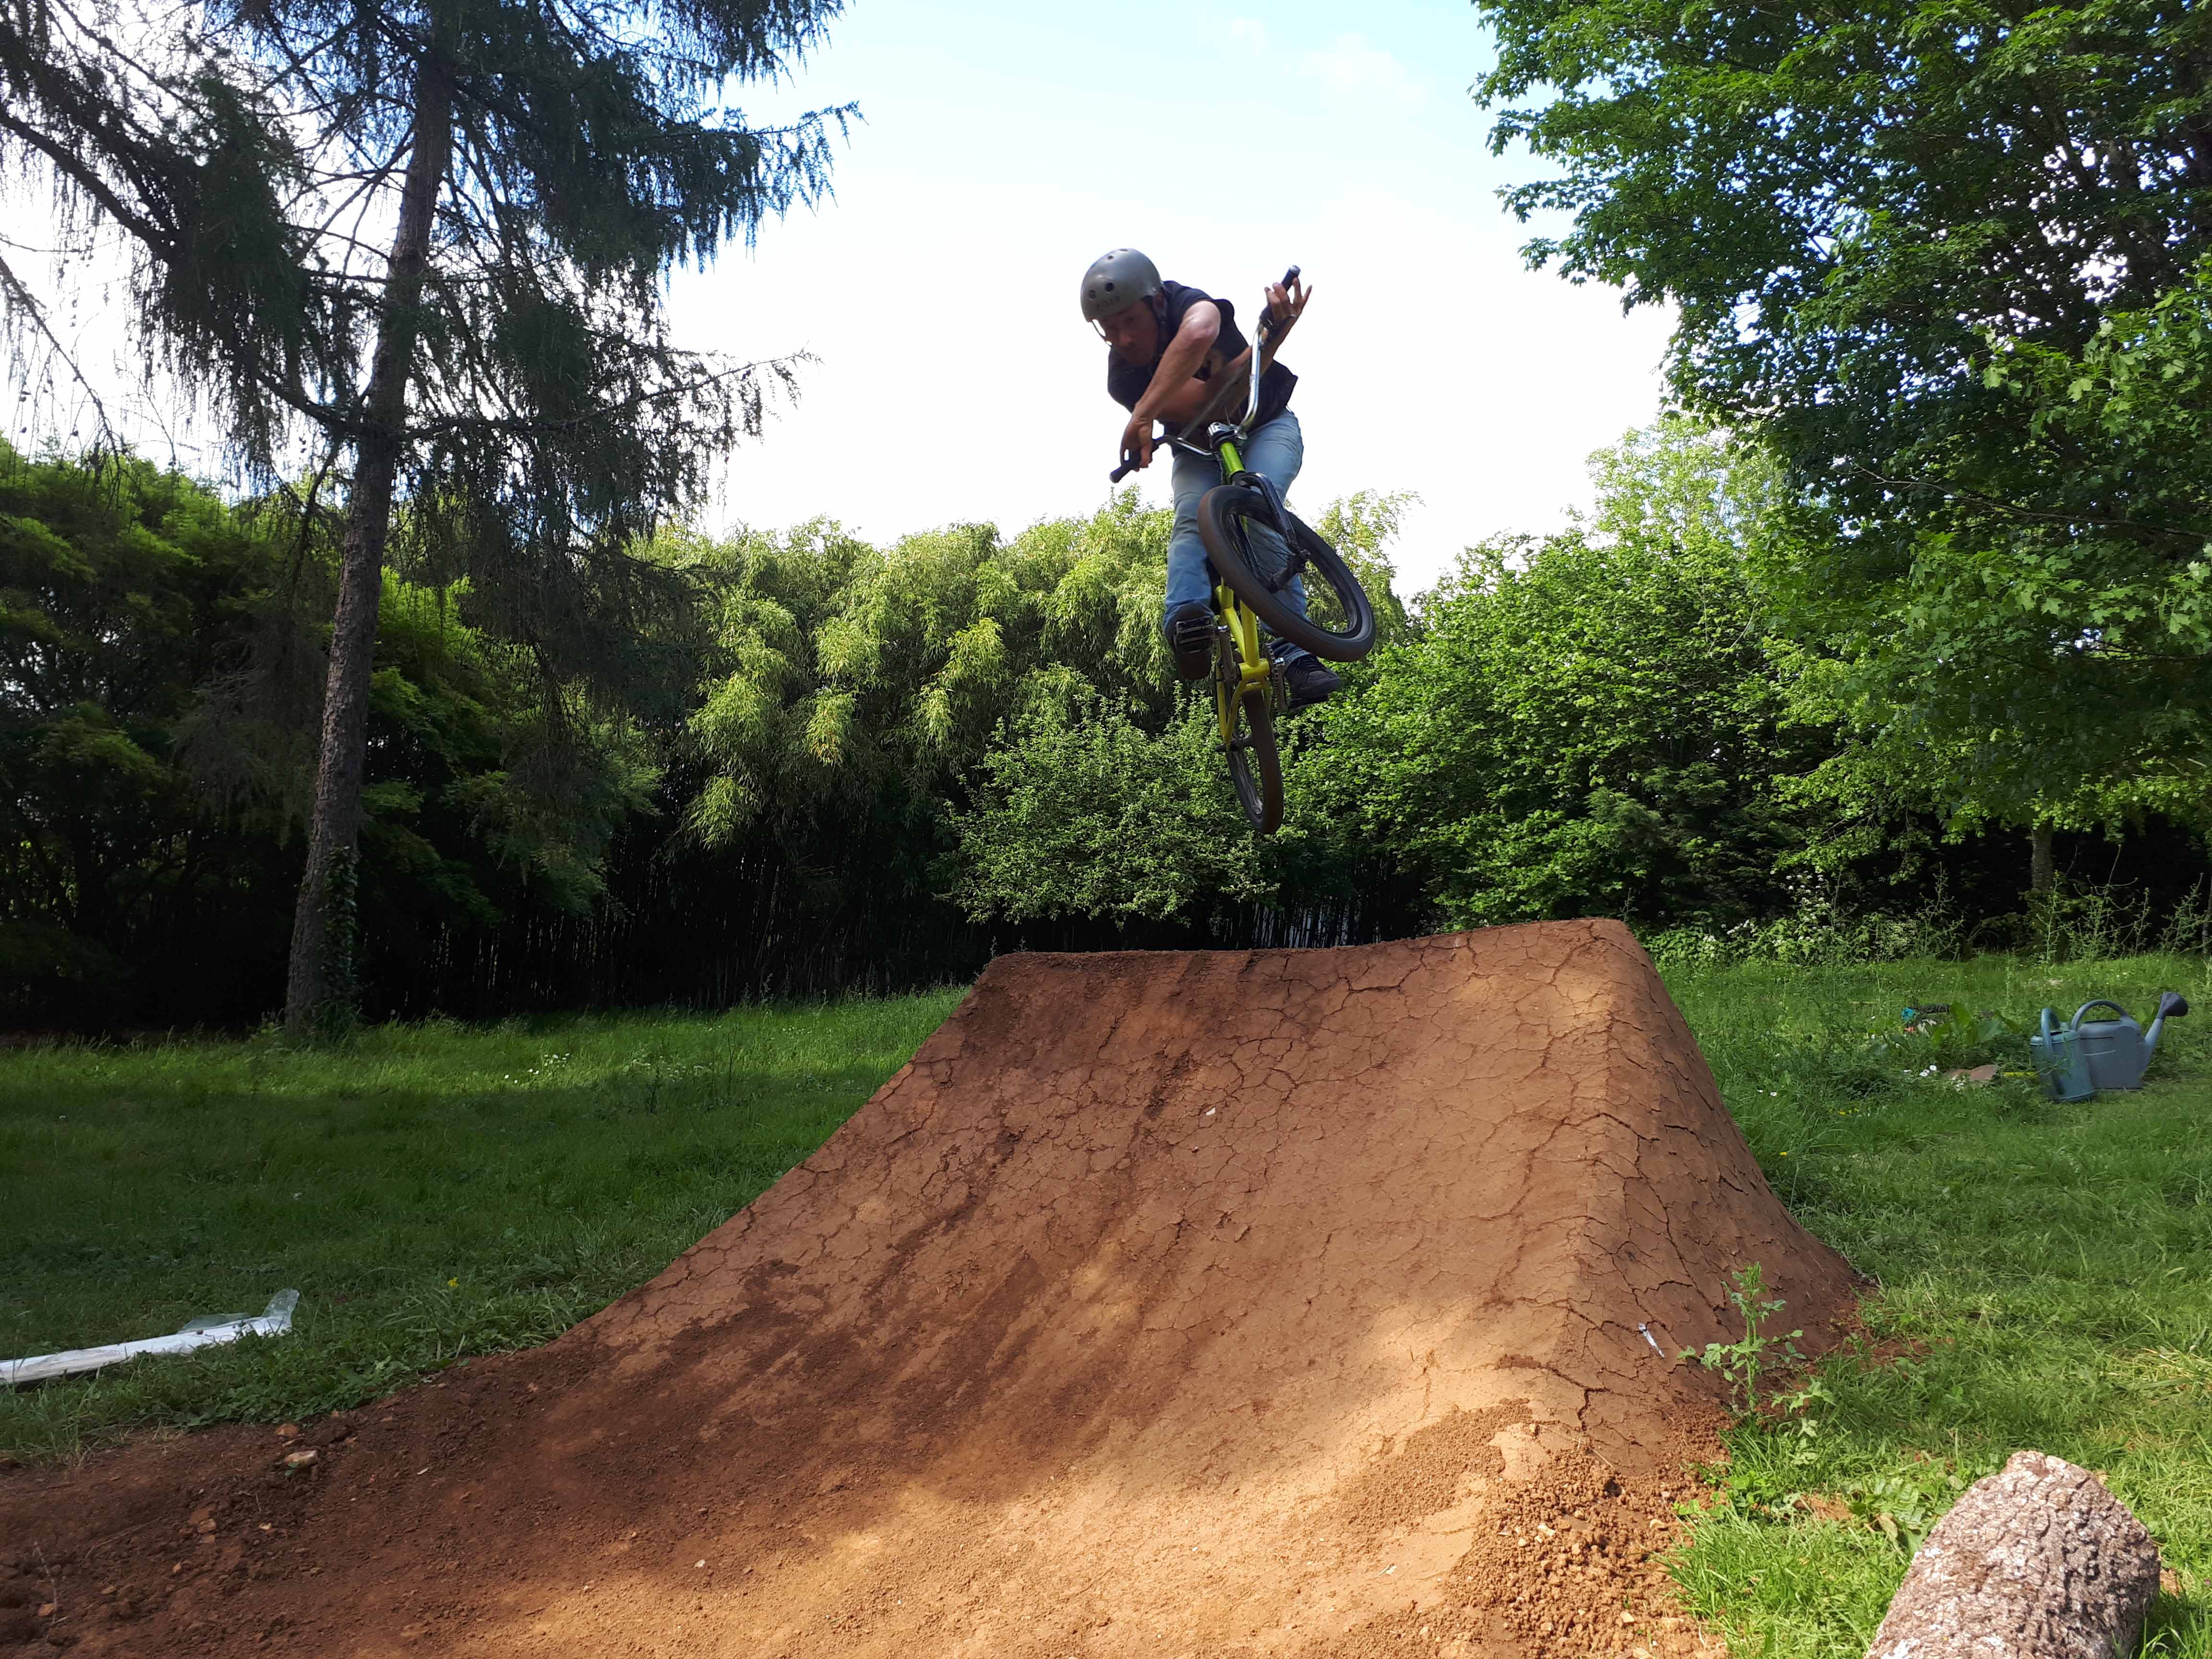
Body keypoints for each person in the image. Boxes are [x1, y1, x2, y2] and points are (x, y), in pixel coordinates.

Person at [1080, 248, 1341, 708]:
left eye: (1130, 321)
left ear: (1157, 303)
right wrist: (1266, 344)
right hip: (1198, 447)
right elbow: (1209, 405)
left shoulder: (1186, 303)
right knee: (1192, 517)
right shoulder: (1123, 379)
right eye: (1109, 329)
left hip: (1266, 425)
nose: (1123, 339)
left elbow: (1202, 332)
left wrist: (1272, 335)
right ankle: (1188, 622)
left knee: (1259, 507)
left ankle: (1294, 652)